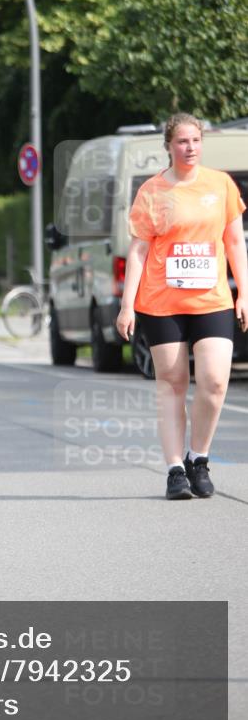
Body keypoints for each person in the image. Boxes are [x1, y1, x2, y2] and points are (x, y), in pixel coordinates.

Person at [117, 112, 247, 500]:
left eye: (195, 141)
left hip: (211, 300)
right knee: (172, 384)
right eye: (182, 142)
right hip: (162, 303)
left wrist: (245, 292)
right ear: (169, 146)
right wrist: (127, 305)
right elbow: (138, 250)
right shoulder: (152, 192)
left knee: (214, 381)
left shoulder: (221, 185)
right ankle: (175, 469)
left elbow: (235, 244)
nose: (189, 148)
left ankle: (199, 458)